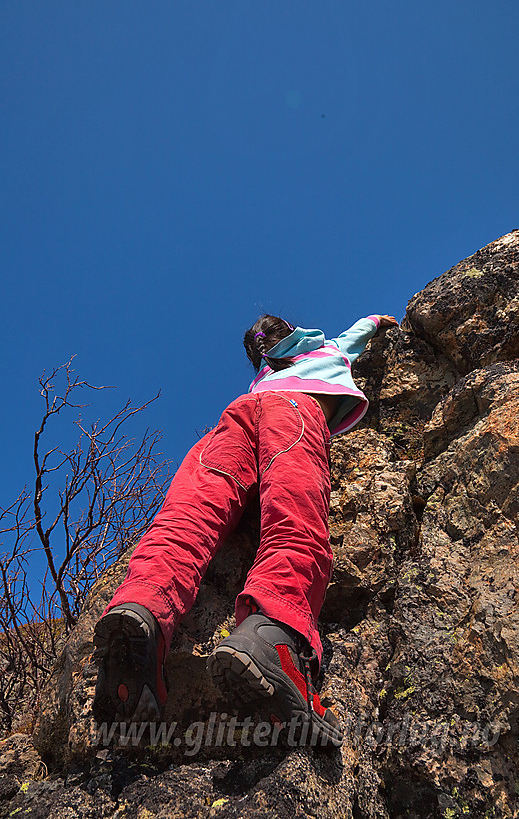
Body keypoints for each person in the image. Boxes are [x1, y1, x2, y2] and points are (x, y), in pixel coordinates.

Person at [93, 312, 398, 747]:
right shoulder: (324, 348)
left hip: (234, 420)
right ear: (291, 331)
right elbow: (355, 335)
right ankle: (270, 635)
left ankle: (142, 607)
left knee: (186, 519)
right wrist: (374, 321)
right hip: (294, 413)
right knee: (294, 522)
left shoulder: (264, 373)